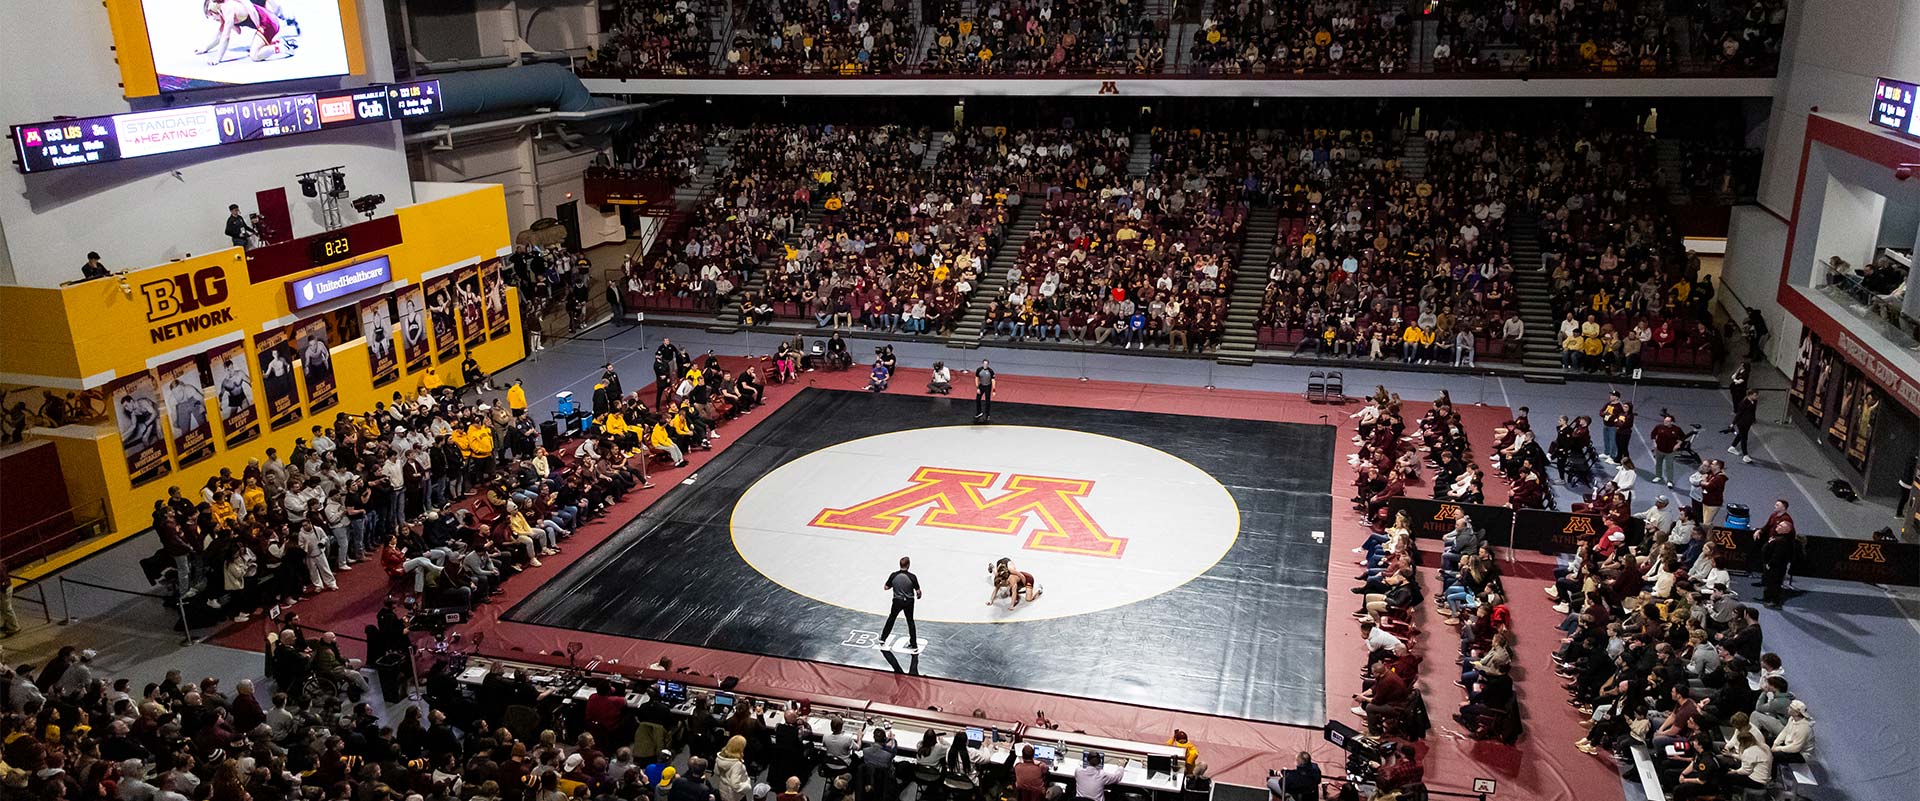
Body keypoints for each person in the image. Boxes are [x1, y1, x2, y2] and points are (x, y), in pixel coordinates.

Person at [880, 556, 921, 649]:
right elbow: (918, 592)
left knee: (891, 618)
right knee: (910, 622)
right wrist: (918, 595)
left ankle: (883, 638)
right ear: (908, 565)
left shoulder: (894, 575)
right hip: (909, 602)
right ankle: (914, 644)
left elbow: (886, 587)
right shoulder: (912, 577)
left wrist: (895, 585)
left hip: (897, 601)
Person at [1649, 413, 1684, 488]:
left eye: (1667, 421)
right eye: (1665, 420)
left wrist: (1678, 444)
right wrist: (1654, 443)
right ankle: (1658, 476)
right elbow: (1653, 434)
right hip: (1659, 450)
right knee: (1658, 464)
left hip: (1670, 451)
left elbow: (1683, 437)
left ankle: (1670, 481)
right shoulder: (1659, 427)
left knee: (1669, 466)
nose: (1665, 422)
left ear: (1672, 422)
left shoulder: (1677, 429)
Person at [1728, 389, 1758, 464]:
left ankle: (1732, 447)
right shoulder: (1743, 403)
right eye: (1755, 395)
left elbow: (1753, 411)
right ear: (1750, 395)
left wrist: (1753, 419)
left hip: (1748, 423)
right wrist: (1733, 423)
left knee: (1740, 435)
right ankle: (1745, 455)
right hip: (1742, 423)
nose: (1756, 397)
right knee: (1744, 438)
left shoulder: (1754, 401)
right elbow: (1739, 414)